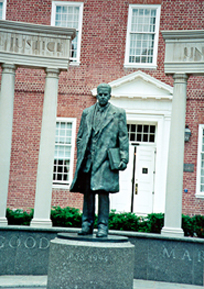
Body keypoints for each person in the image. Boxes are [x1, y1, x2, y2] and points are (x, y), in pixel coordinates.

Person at [70, 83, 129, 237]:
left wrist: (124, 158)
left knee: (103, 193)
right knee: (88, 193)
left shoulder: (118, 113)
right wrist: (81, 155)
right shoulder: (87, 113)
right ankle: (86, 224)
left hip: (106, 160)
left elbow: (123, 137)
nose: (102, 97)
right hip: (89, 159)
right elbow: (81, 136)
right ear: (97, 95)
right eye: (100, 94)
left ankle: (103, 226)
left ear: (110, 95)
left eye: (105, 94)